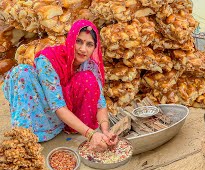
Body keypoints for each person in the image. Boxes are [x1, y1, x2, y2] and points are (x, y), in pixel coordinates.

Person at [2, 20, 118, 151]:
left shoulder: (90, 66)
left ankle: (73, 126)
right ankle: (23, 136)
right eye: (78, 41)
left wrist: (106, 130)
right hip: (46, 109)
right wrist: (90, 134)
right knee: (22, 72)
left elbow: (100, 104)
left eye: (89, 44)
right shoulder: (49, 60)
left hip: (68, 112)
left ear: (94, 48)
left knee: (88, 79)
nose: (83, 49)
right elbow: (57, 105)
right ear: (70, 40)